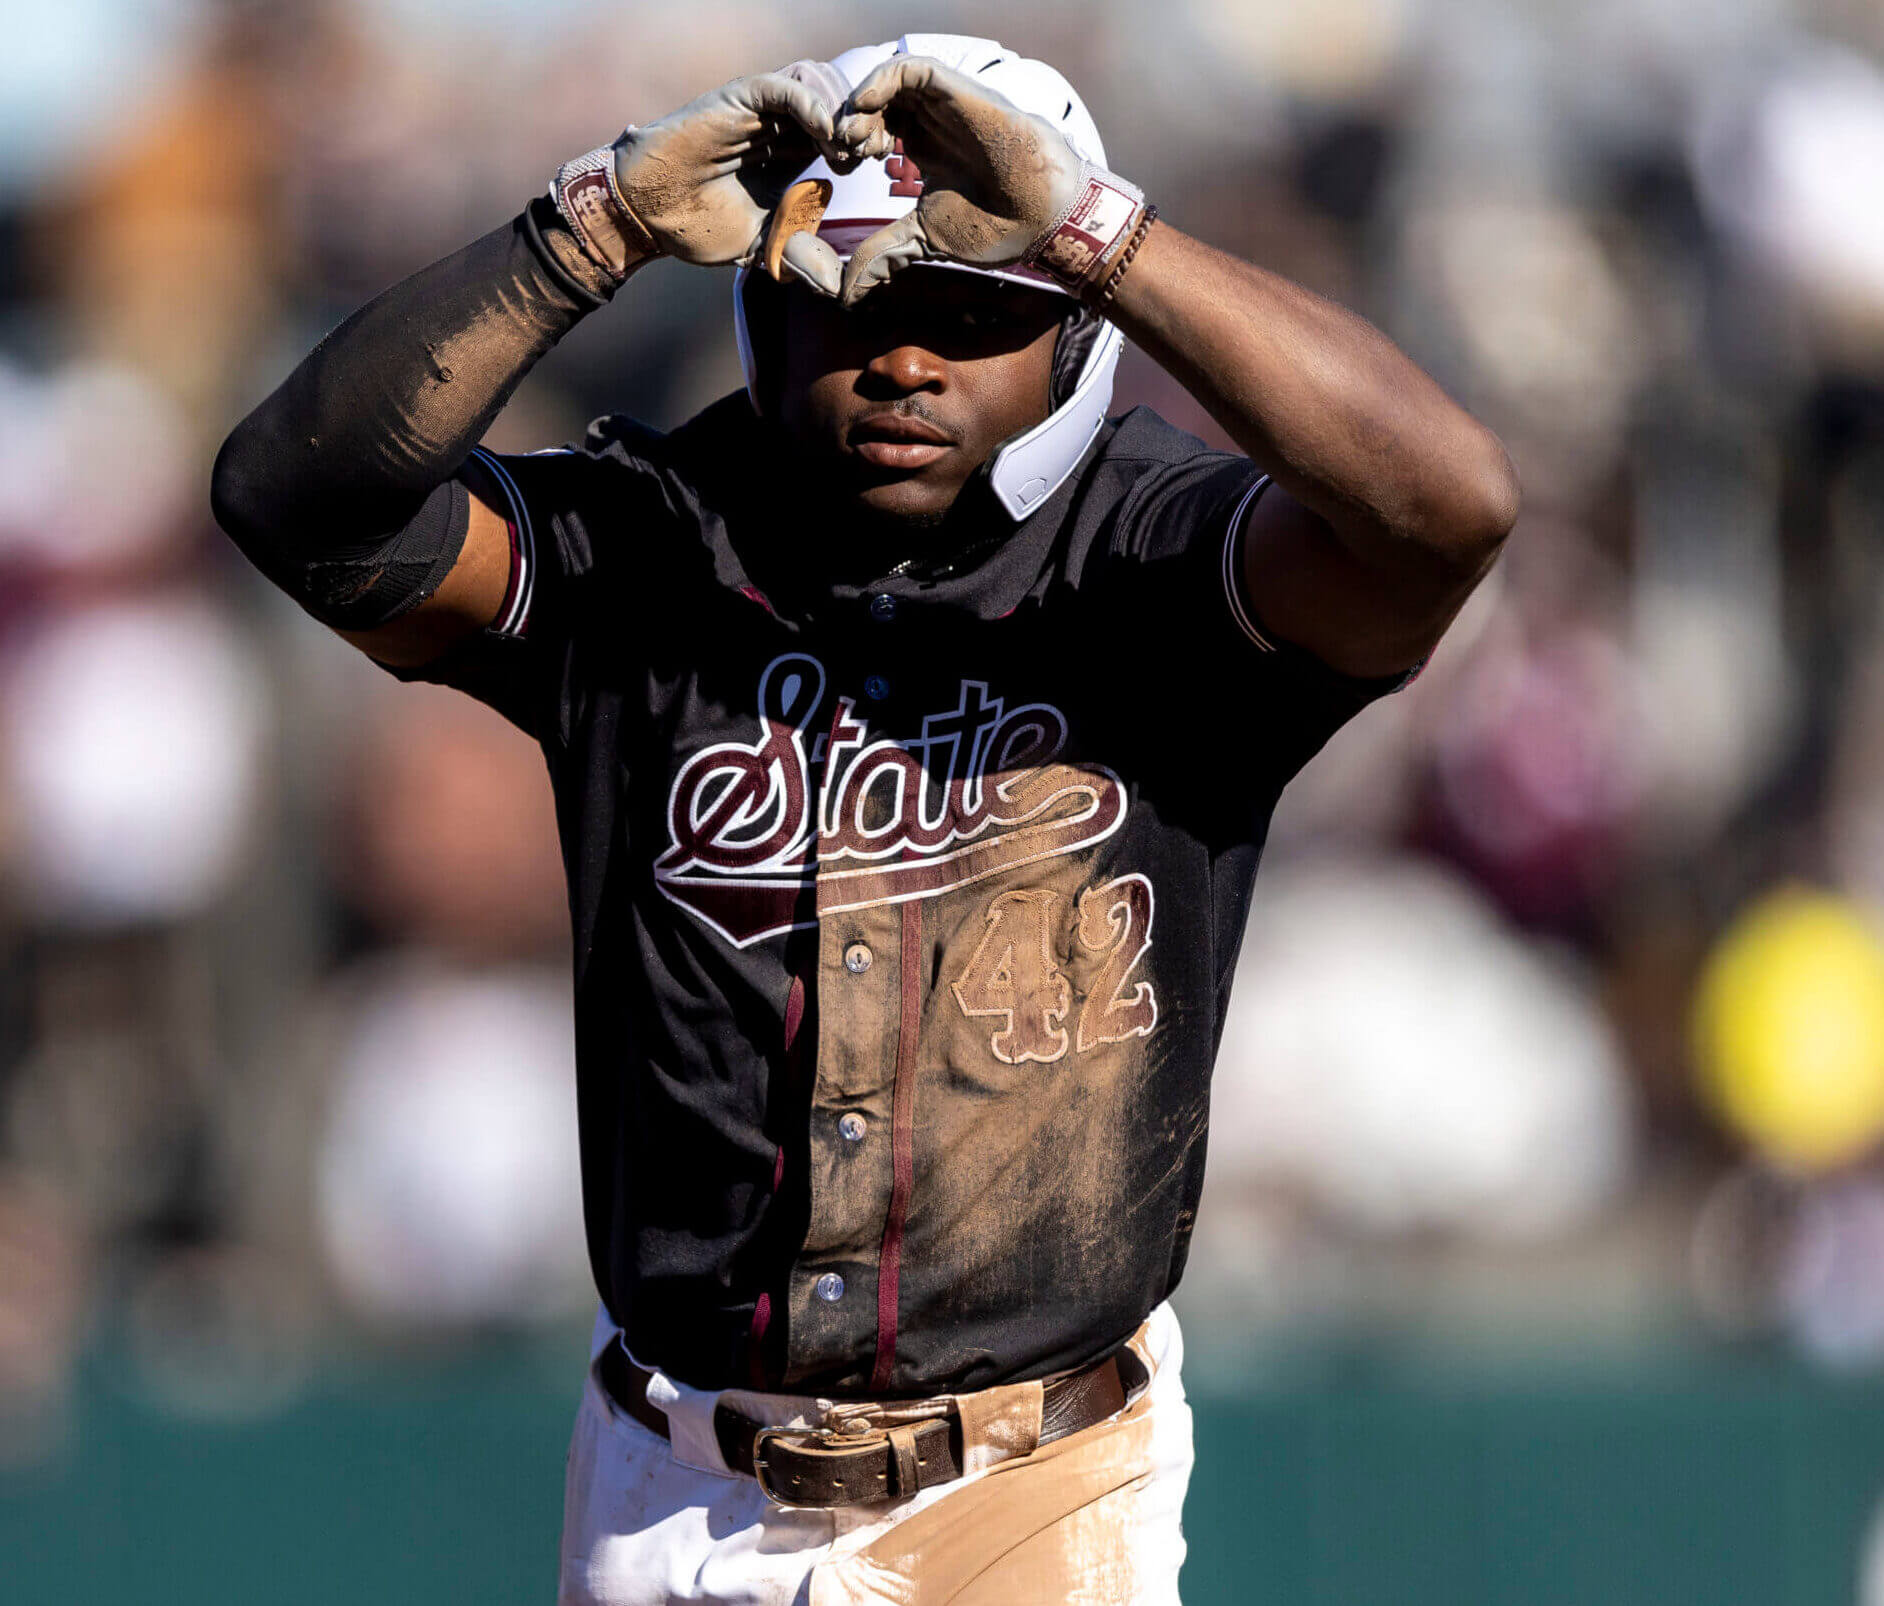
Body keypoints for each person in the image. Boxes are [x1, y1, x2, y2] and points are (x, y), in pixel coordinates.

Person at [211, 32, 1516, 1606]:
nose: (907, 361)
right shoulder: (649, 546)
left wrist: (1102, 233)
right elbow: (296, 498)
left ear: (1075, 337)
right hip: (670, 1488)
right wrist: (591, 228)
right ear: (761, 308)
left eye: (977, 313)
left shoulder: (1162, 562)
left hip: (1032, 1479)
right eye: (853, 309)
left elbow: (1446, 508)